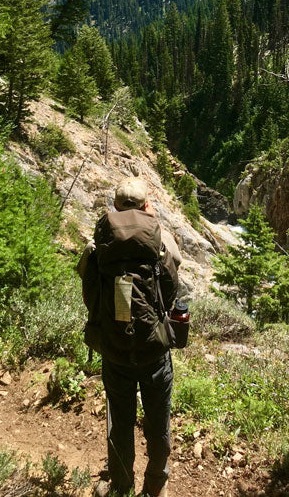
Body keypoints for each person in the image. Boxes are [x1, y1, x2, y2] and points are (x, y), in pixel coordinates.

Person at [78, 177, 181, 497]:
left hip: (115, 351)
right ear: (147, 205)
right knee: (158, 423)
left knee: (120, 423)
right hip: (153, 351)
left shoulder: (97, 245)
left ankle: (121, 486)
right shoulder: (162, 240)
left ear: (115, 208)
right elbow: (172, 289)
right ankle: (156, 486)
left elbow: (89, 289)